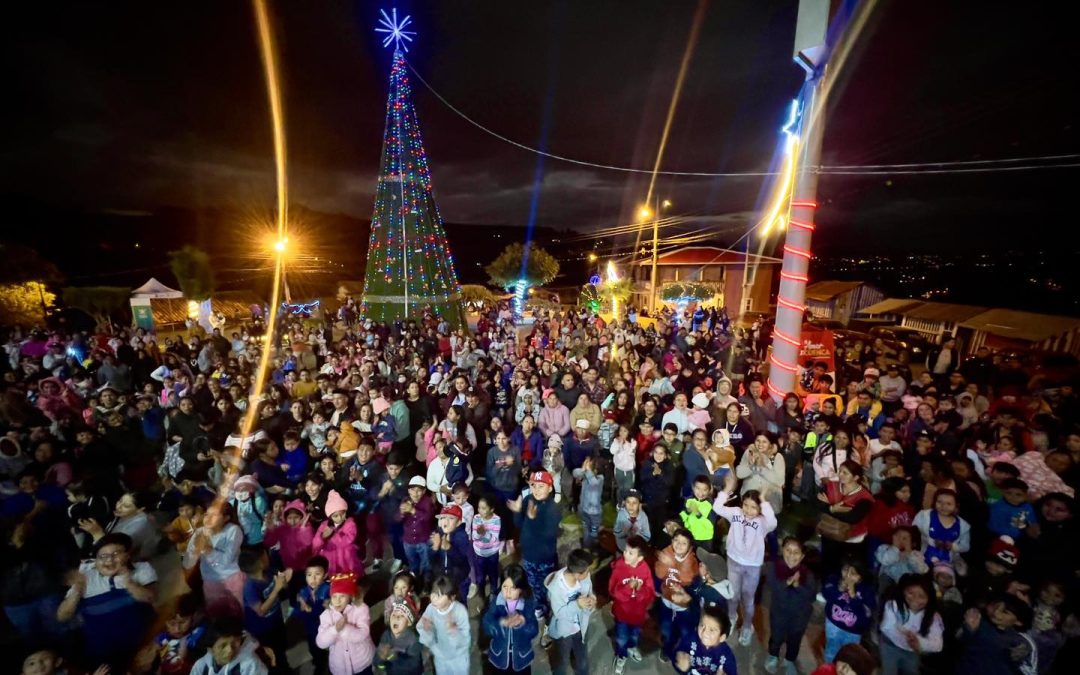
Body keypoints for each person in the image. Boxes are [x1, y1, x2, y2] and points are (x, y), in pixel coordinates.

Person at [56, 532, 157, 671]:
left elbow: (150, 598)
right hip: (103, 653)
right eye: (102, 556)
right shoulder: (86, 577)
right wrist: (77, 589)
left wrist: (128, 583)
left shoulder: (142, 569)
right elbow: (62, 616)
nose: (109, 560)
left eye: (116, 554)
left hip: (142, 643)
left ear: (127, 555)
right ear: (95, 561)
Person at [713, 473, 778, 646]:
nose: (748, 510)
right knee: (733, 595)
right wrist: (726, 490)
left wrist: (764, 500)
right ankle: (732, 617)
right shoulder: (735, 512)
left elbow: (773, 522)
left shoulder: (763, 522)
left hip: (752, 566)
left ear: (759, 509)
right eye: (746, 505)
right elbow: (717, 508)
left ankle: (748, 626)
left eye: (753, 507)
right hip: (733, 561)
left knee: (748, 598)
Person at [764, 537, 817, 674]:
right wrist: (787, 582)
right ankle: (773, 656)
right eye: (788, 550)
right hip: (778, 614)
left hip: (799, 617)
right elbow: (772, 586)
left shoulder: (808, 574)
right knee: (776, 638)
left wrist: (798, 585)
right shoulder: (774, 567)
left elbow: (811, 597)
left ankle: (789, 660)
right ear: (782, 550)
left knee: (794, 641)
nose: (792, 555)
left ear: (802, 556)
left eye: (796, 552)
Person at [878, 573, 944, 675]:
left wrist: (919, 642)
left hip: (912, 651)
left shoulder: (934, 617)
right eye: (910, 593)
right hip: (889, 645)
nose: (915, 599)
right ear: (903, 591)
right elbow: (886, 627)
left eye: (921, 596)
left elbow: (938, 644)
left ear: (929, 599)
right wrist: (907, 638)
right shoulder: (893, 605)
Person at [608, 536, 655, 674]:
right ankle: (621, 655)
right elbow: (612, 591)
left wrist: (640, 590)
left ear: (640, 558)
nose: (625, 554)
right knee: (621, 638)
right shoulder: (619, 567)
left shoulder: (645, 569)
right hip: (622, 613)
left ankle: (632, 647)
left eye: (630, 553)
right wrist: (629, 587)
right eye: (625, 551)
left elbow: (650, 592)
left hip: (638, 615)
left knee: (634, 635)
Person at [482, 563, 540, 675]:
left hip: (521, 658)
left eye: (513, 588)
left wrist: (523, 622)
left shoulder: (528, 604)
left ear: (521, 589)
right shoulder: (497, 601)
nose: (507, 592)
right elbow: (486, 623)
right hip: (500, 656)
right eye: (505, 587)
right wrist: (501, 622)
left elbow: (534, 630)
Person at [545, 548, 596, 675]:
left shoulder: (584, 577)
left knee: (582, 659)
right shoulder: (557, 587)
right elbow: (560, 614)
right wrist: (577, 604)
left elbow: (589, 592)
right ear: (577, 574)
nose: (589, 573)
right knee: (561, 662)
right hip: (564, 633)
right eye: (587, 571)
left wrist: (592, 600)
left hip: (581, 627)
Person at [316, 573, 375, 675]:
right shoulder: (326, 615)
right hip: (339, 666)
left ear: (350, 596)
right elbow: (321, 643)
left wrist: (344, 629)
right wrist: (335, 629)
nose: (337, 601)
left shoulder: (361, 609)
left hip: (362, 662)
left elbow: (363, 634)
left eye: (342, 596)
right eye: (334, 596)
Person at [822, 558, 876, 663]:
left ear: (861, 576)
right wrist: (839, 589)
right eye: (845, 570)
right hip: (833, 624)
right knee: (831, 650)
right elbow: (826, 594)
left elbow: (865, 617)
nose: (848, 576)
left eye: (853, 573)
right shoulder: (834, 579)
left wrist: (853, 597)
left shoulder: (867, 591)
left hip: (853, 632)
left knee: (849, 656)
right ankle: (828, 668)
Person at [417, 575, 472, 675]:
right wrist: (427, 630)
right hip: (440, 657)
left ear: (452, 598)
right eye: (433, 593)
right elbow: (422, 628)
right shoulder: (431, 608)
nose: (433, 598)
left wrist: (454, 631)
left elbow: (466, 641)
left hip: (458, 659)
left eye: (439, 595)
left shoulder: (460, 611)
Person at [312, 489, 363, 578]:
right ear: (330, 516)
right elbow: (315, 545)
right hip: (330, 560)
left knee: (348, 580)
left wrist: (334, 535)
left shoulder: (350, 523)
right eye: (335, 516)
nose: (339, 518)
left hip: (346, 560)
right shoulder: (324, 525)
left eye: (342, 514)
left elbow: (349, 539)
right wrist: (322, 537)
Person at [673, 605, 737, 675]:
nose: (704, 632)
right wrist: (682, 667)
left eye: (711, 630)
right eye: (702, 625)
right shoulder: (690, 638)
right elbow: (676, 655)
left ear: (722, 637)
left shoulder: (726, 655)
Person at [373, 598, 423, 674]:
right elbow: (378, 663)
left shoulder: (414, 640)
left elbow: (415, 666)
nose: (396, 618)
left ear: (409, 622)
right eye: (394, 615)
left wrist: (393, 658)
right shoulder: (386, 635)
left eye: (402, 616)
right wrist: (380, 658)